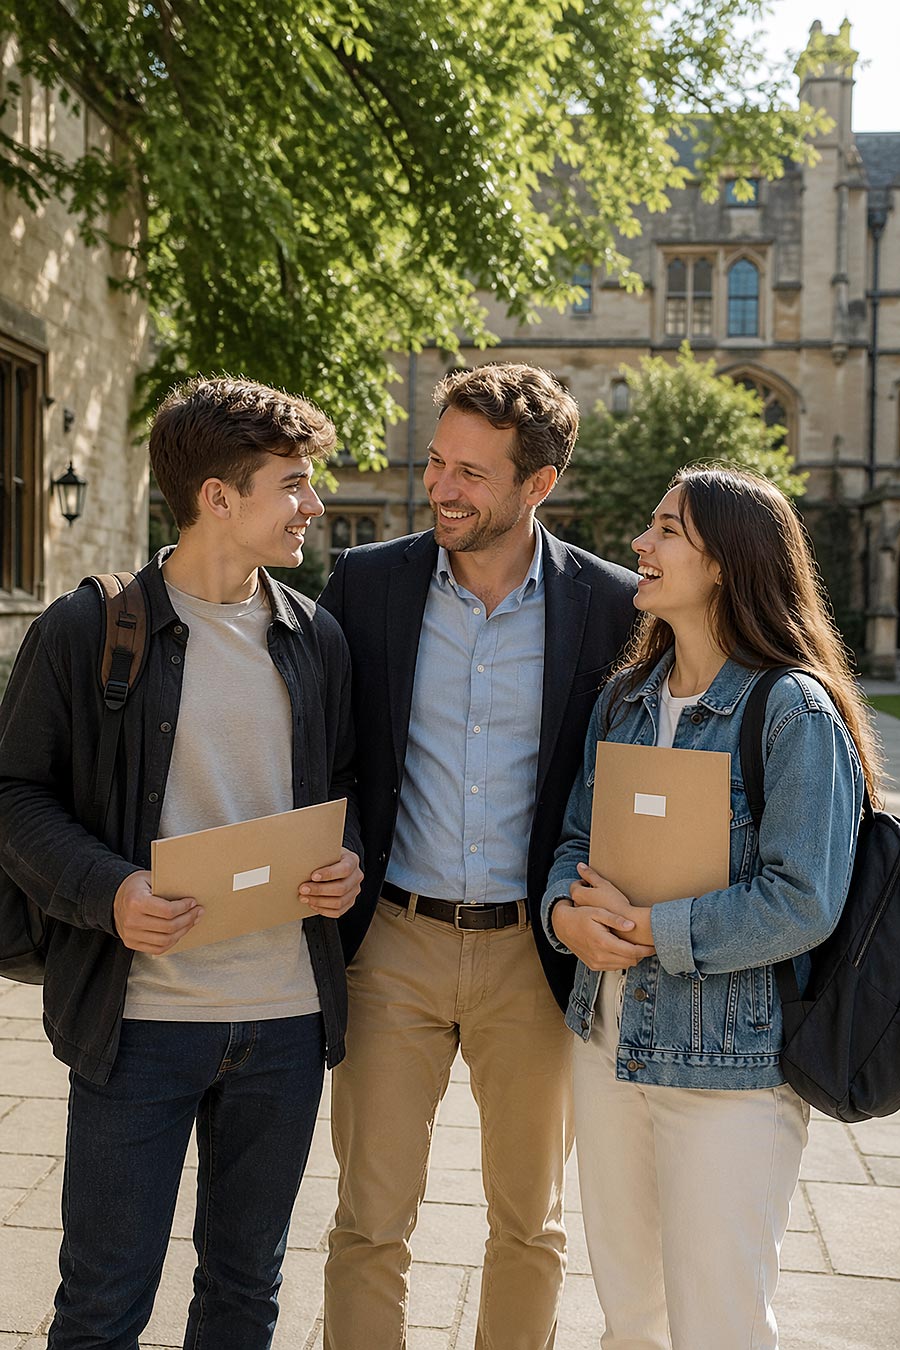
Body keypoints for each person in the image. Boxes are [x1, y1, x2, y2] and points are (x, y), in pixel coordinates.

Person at [0, 377, 363, 1349]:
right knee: (103, 1300)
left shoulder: (312, 636)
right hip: (140, 1024)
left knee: (247, 1290)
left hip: (286, 1024)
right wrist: (108, 890)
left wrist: (348, 860)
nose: (312, 506)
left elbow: (345, 785)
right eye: (292, 484)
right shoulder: (86, 632)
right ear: (217, 497)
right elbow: (13, 795)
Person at [318, 361, 637, 1350]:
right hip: (393, 947)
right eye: (436, 461)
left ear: (537, 485)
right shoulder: (366, 585)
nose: (442, 488)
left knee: (529, 1227)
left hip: (535, 959)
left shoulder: (614, 608)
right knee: (369, 1221)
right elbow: (324, 748)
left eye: (471, 473)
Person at [542, 464, 879, 1349]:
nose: (639, 548)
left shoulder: (791, 710)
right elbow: (575, 841)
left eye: (665, 531)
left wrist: (651, 932)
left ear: (727, 561)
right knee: (631, 1320)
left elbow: (803, 899)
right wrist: (564, 919)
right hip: (607, 1046)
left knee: (720, 1326)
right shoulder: (625, 699)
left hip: (730, 1069)